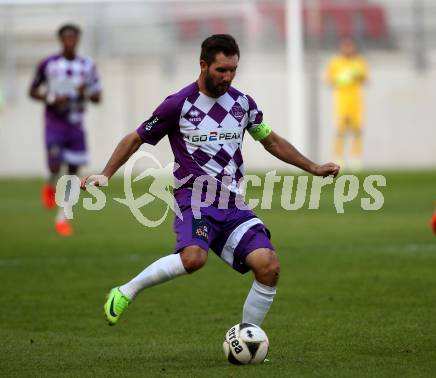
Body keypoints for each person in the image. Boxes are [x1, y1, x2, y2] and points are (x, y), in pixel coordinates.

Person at [81, 34, 339, 327]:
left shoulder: (243, 104)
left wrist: (312, 167)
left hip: (233, 205)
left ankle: (247, 337)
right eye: (221, 70)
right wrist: (105, 174)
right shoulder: (177, 105)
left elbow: (271, 141)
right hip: (194, 200)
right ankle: (125, 291)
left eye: (233, 70)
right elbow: (135, 138)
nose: (228, 76)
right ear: (203, 65)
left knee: (269, 267)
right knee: (193, 258)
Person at [29, 23, 101, 236]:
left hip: (76, 124)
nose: (70, 42)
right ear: (61, 40)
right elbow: (32, 90)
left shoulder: (87, 65)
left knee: (73, 173)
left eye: (74, 38)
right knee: (54, 165)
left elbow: (98, 97)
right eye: (66, 38)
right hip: (55, 122)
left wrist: (86, 91)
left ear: (77, 40)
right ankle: (50, 184)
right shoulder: (48, 64)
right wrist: (52, 98)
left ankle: (62, 217)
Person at [325, 36, 368, 170]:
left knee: (357, 129)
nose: (348, 49)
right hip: (341, 100)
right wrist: (340, 79)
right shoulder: (335, 63)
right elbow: (329, 80)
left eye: (350, 46)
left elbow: (365, 78)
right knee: (340, 130)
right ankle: (338, 157)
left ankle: (356, 158)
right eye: (345, 46)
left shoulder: (359, 62)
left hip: (356, 100)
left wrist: (355, 75)